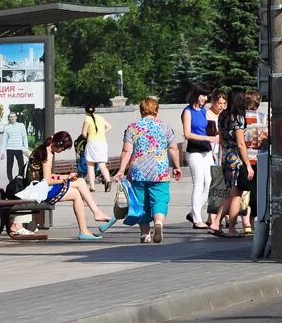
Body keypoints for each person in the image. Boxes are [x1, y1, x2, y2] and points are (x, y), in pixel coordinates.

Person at [18, 131, 112, 240]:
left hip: (38, 187)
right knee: (79, 184)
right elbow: (47, 180)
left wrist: (67, 176)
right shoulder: (47, 153)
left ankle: (88, 225)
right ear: (57, 144)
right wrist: (66, 178)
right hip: (38, 190)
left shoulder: (45, 148)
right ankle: (93, 218)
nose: (62, 151)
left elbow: (47, 176)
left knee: (78, 189)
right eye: (62, 148)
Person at [113, 96, 183, 243]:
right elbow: (174, 148)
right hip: (159, 170)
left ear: (141, 110)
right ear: (157, 110)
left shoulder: (133, 127)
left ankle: (145, 234)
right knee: (160, 199)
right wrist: (177, 166)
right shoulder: (165, 126)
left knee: (141, 203)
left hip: (138, 171)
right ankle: (158, 223)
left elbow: (127, 151)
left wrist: (120, 170)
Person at [217, 90, 253, 239]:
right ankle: (230, 228)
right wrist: (248, 165)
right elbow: (240, 143)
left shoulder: (222, 116)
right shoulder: (237, 118)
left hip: (225, 156)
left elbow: (220, 138)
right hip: (235, 158)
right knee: (236, 194)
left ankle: (216, 223)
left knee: (231, 193)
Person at [180, 86, 215, 229]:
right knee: (199, 184)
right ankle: (197, 219)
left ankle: (193, 212)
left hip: (206, 150)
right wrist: (208, 138)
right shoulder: (188, 111)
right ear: (196, 95)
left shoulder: (204, 111)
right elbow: (187, 134)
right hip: (194, 151)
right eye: (204, 95)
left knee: (210, 184)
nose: (206, 99)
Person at [239, 90, 267, 236]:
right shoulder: (264, 118)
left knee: (244, 191)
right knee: (258, 192)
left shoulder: (240, 118)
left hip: (244, 160)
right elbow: (268, 138)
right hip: (260, 159)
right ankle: (251, 218)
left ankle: (246, 222)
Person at [204, 90, 228, 233]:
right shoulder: (207, 115)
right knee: (215, 183)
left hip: (224, 152)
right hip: (212, 150)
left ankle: (220, 214)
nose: (221, 106)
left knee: (224, 184)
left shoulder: (226, 115)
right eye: (219, 103)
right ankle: (212, 215)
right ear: (213, 102)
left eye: (224, 103)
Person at [80, 105, 113, 192]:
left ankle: (92, 187)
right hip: (102, 143)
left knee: (90, 165)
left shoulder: (87, 119)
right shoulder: (101, 118)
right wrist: (102, 133)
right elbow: (110, 126)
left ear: (86, 111)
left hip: (92, 143)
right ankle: (108, 181)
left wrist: (88, 136)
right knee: (102, 165)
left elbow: (83, 133)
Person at [3, 112, 29, 180]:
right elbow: (4, 140)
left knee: (21, 165)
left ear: (16, 117)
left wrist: (26, 149)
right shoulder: (7, 128)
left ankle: (19, 179)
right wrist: (2, 152)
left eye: (13, 116)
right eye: (11, 117)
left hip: (19, 149)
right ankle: (10, 180)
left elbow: (25, 137)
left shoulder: (21, 125)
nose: (12, 118)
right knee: (9, 167)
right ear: (9, 118)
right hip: (10, 149)